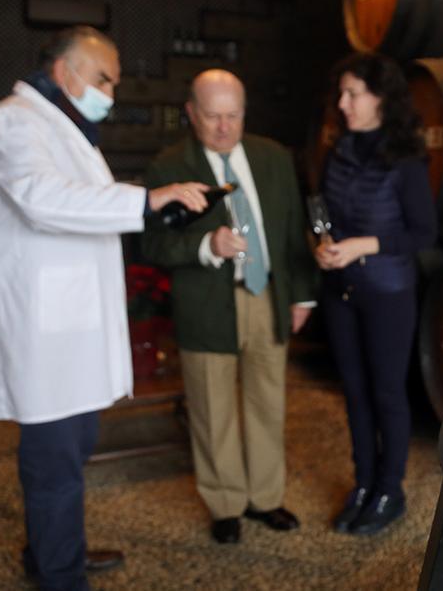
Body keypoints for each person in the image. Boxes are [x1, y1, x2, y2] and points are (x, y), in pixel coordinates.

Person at [0, 25, 209, 590]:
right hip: (39, 326)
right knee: (54, 458)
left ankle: (55, 551)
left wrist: (141, 205)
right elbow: (41, 199)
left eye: (115, 84)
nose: (110, 94)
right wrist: (145, 199)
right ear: (64, 71)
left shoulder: (65, 129)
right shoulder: (13, 122)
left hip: (68, 324)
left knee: (74, 448)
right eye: (103, 79)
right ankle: (60, 575)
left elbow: (83, 205)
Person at [141, 69, 317, 544]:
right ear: (191, 114)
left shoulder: (273, 157)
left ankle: (265, 498)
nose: (223, 127)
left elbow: (291, 228)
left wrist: (302, 295)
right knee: (211, 407)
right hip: (205, 302)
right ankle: (224, 503)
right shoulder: (168, 165)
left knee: (267, 402)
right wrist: (204, 245)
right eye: (213, 116)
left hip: (267, 297)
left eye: (233, 116)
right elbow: (152, 245)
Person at [316, 53, 437, 535]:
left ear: (380, 99)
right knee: (354, 392)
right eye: (342, 94)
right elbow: (326, 213)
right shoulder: (339, 149)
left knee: (387, 392)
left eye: (353, 94)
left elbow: (423, 233)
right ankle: (364, 483)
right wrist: (323, 245)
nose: (343, 103)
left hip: (388, 292)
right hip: (340, 290)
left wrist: (364, 245)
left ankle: (391, 489)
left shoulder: (406, 159)